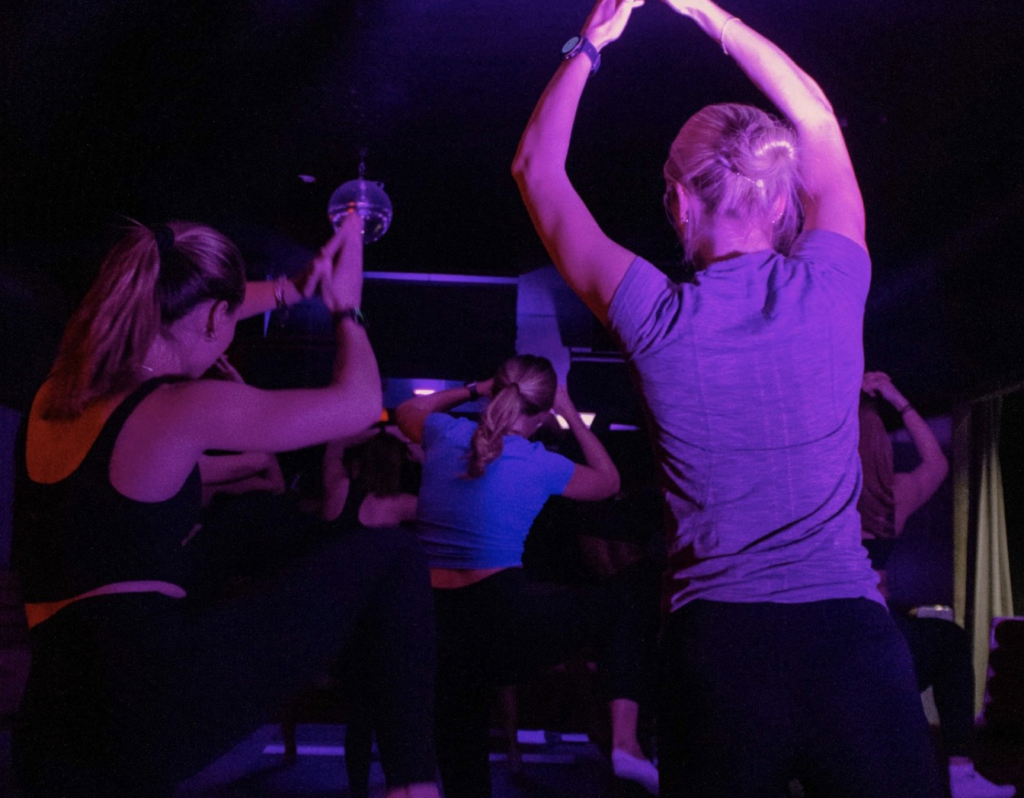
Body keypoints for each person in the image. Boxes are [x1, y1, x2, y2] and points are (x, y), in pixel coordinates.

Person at [513, 0, 946, 795]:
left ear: (677, 203)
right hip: (852, 644)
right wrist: (709, 13)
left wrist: (592, 41)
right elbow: (814, 115)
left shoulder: (653, 312)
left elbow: (535, 173)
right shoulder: (835, 281)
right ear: (784, 204)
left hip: (721, 651)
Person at [11, 213, 439, 798]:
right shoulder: (183, 407)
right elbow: (362, 405)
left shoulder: (56, 397)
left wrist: (292, 288)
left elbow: (189, 309)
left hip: (55, 710)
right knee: (391, 555)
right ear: (216, 317)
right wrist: (346, 309)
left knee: (246, 520)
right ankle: (414, 787)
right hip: (148, 701)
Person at [396, 355, 659, 797]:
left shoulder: (444, 433)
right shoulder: (540, 462)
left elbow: (407, 411)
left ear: (498, 393)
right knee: (619, 608)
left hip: (434, 622)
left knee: (463, 756)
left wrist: (477, 387)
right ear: (540, 417)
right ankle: (626, 744)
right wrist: (570, 411)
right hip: (504, 615)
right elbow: (608, 481)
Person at [860, 372, 1015, 798]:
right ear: (876, 446)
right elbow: (938, 463)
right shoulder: (891, 498)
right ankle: (961, 774)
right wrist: (896, 398)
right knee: (948, 641)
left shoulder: (820, 502)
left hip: (834, 640)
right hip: (880, 643)